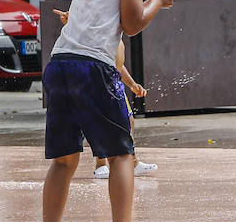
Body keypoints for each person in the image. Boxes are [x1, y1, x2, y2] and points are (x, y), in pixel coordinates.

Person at [35, 0, 191, 222]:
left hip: (60, 65)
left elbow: (115, 9)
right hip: (94, 69)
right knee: (122, 155)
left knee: (63, 160)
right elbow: (133, 22)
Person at [50, 10, 159, 179]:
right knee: (99, 124)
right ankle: (101, 165)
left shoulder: (116, 34)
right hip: (99, 81)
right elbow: (84, 39)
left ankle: (133, 161)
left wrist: (131, 84)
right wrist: (71, 23)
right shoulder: (101, 31)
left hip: (114, 83)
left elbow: (119, 65)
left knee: (128, 121)